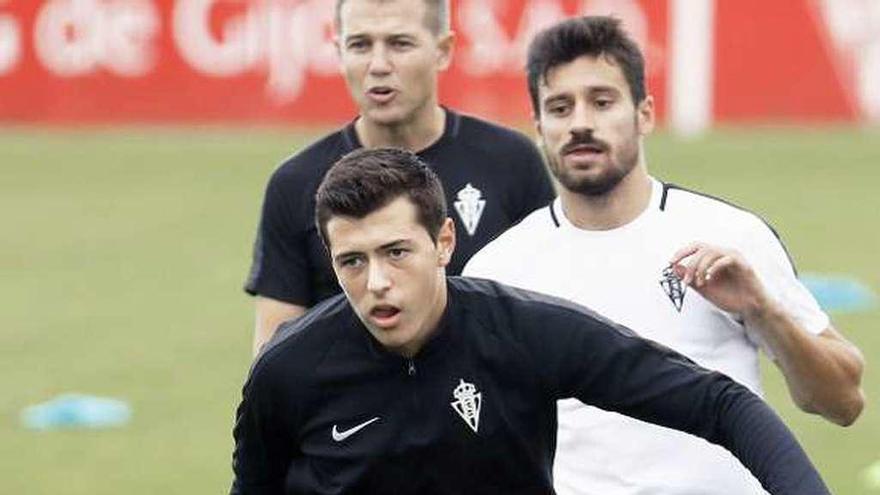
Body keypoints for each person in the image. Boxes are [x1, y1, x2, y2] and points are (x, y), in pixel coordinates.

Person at [230, 147, 830, 495]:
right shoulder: (289, 369)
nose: (376, 283)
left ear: (443, 243)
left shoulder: (521, 331)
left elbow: (722, 405)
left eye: (396, 252)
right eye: (351, 262)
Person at [463, 16, 866, 495]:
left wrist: (763, 312)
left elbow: (843, 402)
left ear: (645, 114)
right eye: (560, 107)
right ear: (538, 128)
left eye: (602, 101)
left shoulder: (731, 236)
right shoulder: (497, 272)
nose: (581, 123)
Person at [243, 0, 555, 355]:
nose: (378, 65)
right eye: (360, 45)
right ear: (339, 52)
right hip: (352, 408)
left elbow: (551, 314)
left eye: (399, 43)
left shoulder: (511, 161)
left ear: (443, 51)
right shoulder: (296, 183)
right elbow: (273, 356)